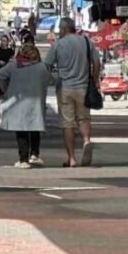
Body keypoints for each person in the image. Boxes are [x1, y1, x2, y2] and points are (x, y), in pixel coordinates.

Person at [44, 18, 99, 168]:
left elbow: (47, 65)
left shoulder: (58, 44)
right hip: (83, 87)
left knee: (67, 123)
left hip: (64, 88)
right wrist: (94, 80)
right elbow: (96, 62)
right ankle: (86, 140)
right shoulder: (86, 42)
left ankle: (72, 158)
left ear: (63, 29)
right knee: (84, 118)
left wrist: (51, 79)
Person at [0, 42, 51, 168]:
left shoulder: (14, 65)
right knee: (35, 127)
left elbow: (1, 75)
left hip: (19, 102)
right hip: (35, 101)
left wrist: (6, 90)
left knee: (21, 130)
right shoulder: (42, 67)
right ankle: (34, 154)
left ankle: (23, 159)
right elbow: (48, 80)